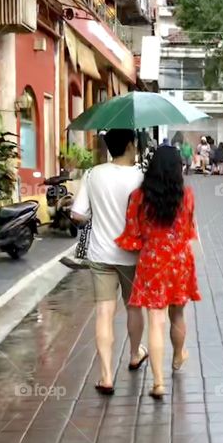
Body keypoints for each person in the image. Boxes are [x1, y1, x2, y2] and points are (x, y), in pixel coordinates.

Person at [116, 146, 200, 400]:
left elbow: (133, 234)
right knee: (178, 314)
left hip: (152, 262)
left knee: (156, 321)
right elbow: (188, 229)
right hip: (179, 261)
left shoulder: (138, 196)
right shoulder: (186, 195)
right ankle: (178, 355)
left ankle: (159, 384)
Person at [70, 128, 147, 395]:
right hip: (131, 254)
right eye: (135, 143)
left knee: (104, 312)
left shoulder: (93, 174)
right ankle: (135, 354)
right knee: (134, 308)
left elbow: (77, 214)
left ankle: (105, 376)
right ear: (129, 145)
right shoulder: (140, 177)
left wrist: (97, 215)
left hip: (100, 254)